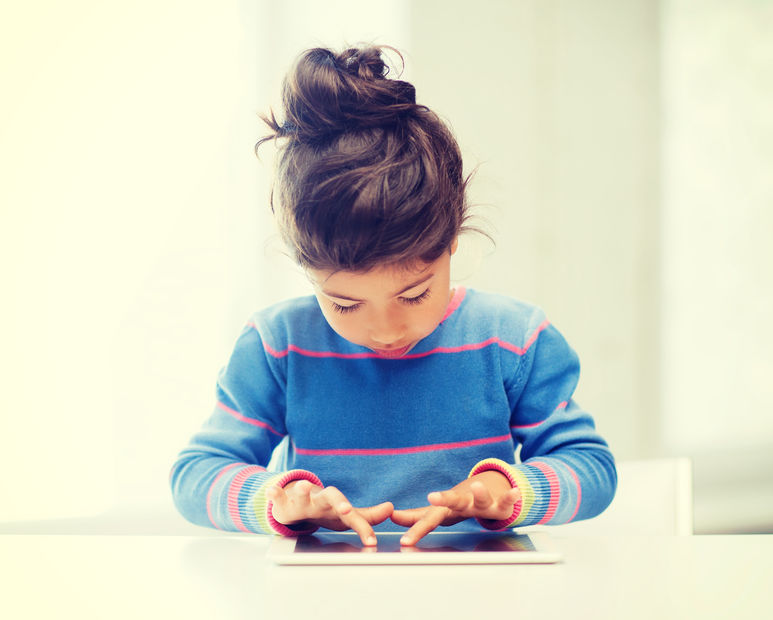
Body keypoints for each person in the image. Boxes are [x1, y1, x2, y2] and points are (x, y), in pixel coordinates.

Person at [170, 44, 616, 547]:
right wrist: (280, 499)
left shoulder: (513, 340)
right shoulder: (278, 345)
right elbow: (195, 476)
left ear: (451, 242)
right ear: (304, 268)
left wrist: (508, 492)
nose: (384, 331)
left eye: (413, 295)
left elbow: (592, 468)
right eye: (344, 304)